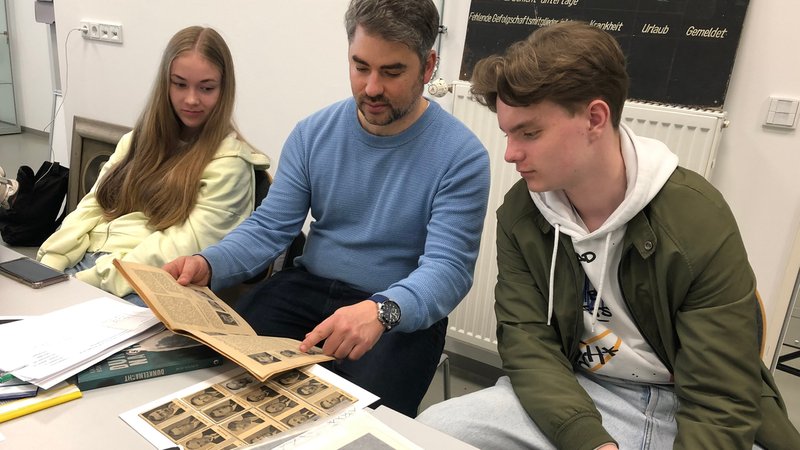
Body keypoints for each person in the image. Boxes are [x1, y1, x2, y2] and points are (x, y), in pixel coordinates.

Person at [416, 21, 800, 450]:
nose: (510, 153)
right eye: (508, 133)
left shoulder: (697, 216)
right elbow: (529, 344)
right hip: (583, 391)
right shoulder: (521, 214)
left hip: (685, 404)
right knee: (434, 429)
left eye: (529, 132)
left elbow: (720, 396)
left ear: (595, 118)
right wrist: (591, 441)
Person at [164, 0, 490, 417]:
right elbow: (269, 228)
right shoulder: (313, 133)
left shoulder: (461, 156)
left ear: (428, 68)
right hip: (307, 289)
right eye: (360, 67)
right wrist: (208, 264)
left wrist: (382, 310)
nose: (372, 87)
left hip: (396, 310)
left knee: (354, 422)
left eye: (392, 72)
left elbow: (448, 270)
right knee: (211, 378)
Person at [36, 26, 269, 305]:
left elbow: (179, 249)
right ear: (165, 84)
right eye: (180, 84)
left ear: (224, 89)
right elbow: (93, 206)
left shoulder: (230, 164)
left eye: (206, 88)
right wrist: (52, 262)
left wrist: (86, 283)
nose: (192, 99)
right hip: (89, 266)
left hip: (146, 281)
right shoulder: (137, 140)